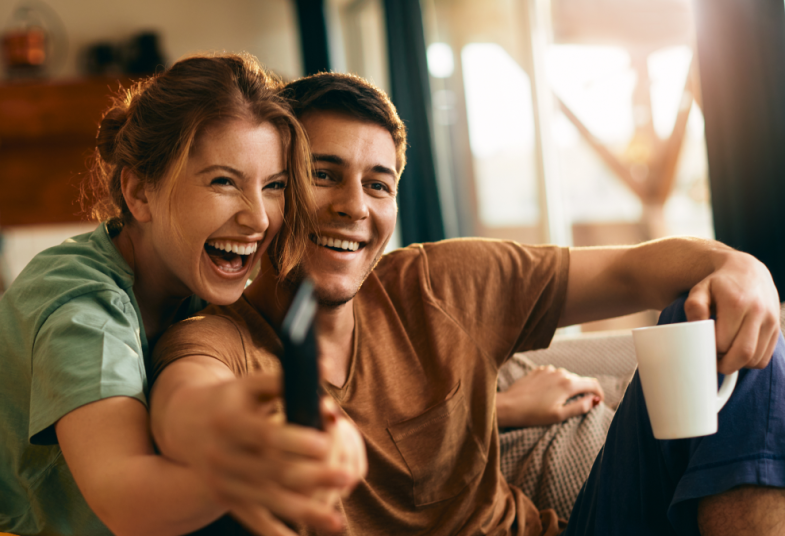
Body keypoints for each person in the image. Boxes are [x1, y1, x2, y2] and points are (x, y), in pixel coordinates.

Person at [149, 71, 785, 535]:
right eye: (323, 173)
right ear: (277, 189)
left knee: (723, 325)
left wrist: (741, 267)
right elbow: (188, 399)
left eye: (378, 184)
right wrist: (222, 436)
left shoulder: (440, 283)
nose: (354, 205)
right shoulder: (223, 339)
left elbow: (631, 270)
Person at [0, 54, 362, 536]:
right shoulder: (82, 307)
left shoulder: (200, 289)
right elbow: (127, 497)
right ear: (138, 191)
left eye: (275, 186)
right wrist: (250, 473)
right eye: (223, 181)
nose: (258, 217)